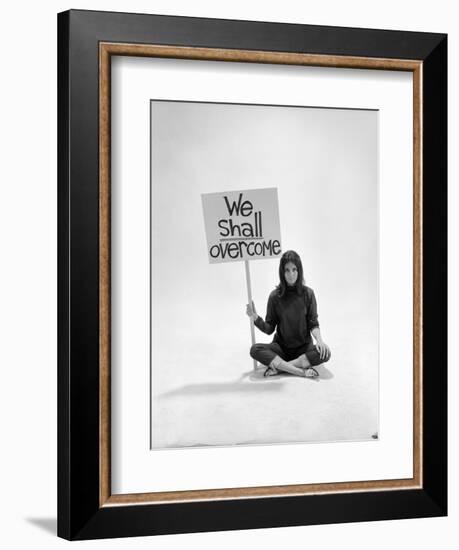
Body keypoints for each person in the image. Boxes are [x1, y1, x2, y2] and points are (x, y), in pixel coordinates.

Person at [246, 250, 331, 378]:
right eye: (287, 270)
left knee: (325, 352)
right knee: (255, 350)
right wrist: (255, 318)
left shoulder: (308, 294)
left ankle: (281, 368)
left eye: (294, 269)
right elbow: (269, 329)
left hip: (304, 349)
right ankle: (301, 371)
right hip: (281, 349)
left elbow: (313, 323)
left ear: (299, 270)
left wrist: (319, 340)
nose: (291, 274)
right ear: (282, 272)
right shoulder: (275, 296)